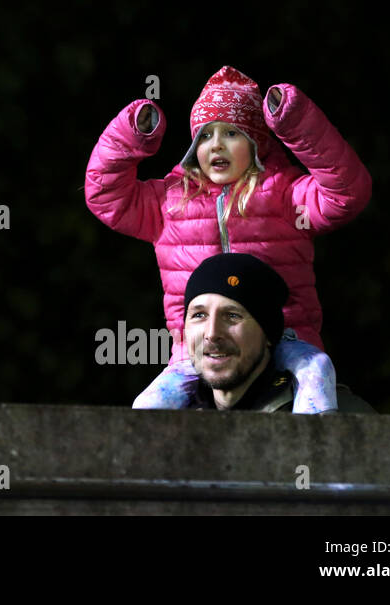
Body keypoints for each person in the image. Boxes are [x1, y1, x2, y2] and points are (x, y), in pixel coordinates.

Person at [85, 65, 371, 412]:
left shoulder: (284, 195)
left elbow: (347, 191)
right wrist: (133, 134)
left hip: (288, 333)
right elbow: (105, 195)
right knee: (148, 405)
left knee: (317, 371)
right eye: (205, 136)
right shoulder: (171, 202)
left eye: (232, 133)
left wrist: (296, 122)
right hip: (196, 349)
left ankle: (315, 455)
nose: (216, 144)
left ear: (256, 144)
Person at [181, 252, 373, 412]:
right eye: (199, 315)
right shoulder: (172, 422)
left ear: (268, 333)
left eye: (232, 316)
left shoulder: (348, 419)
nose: (212, 333)